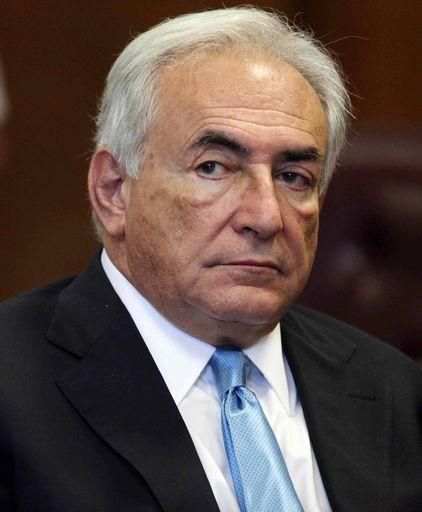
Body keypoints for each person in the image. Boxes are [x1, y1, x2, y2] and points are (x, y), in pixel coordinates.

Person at [0, 7, 420, 512]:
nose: (265, 216)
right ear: (114, 190)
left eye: (293, 177)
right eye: (214, 168)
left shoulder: (397, 395)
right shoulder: (13, 392)